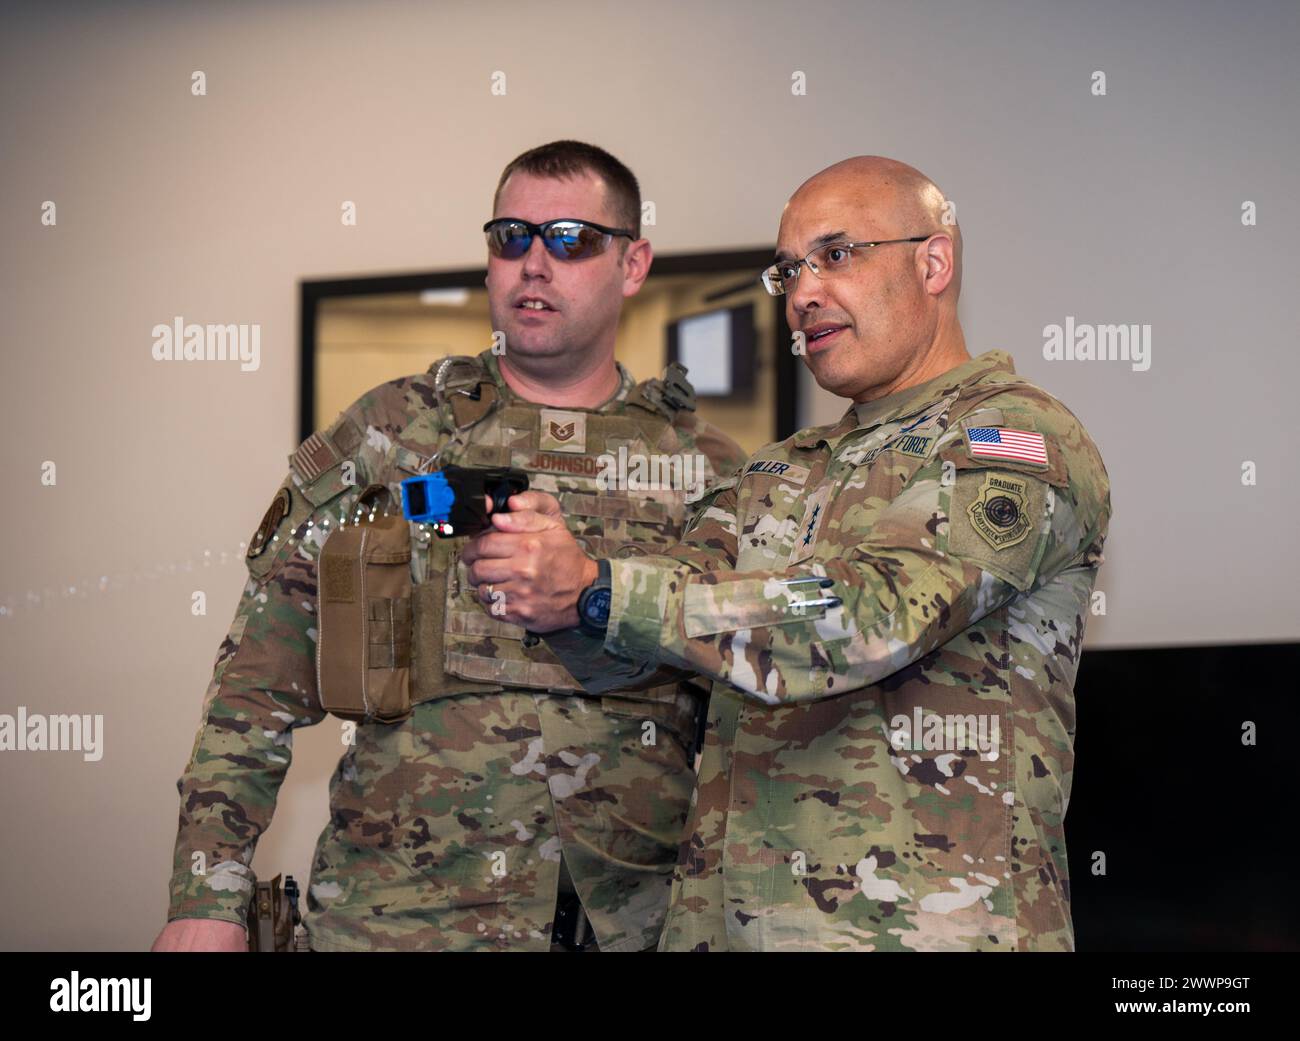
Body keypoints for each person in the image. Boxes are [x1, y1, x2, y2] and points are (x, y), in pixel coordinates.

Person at [462, 155, 1112, 951]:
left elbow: (872, 613)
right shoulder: (779, 468)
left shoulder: (1012, 438)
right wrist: (552, 592)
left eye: (836, 255)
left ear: (933, 261)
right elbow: (649, 646)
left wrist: (598, 589)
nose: (803, 293)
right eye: (787, 271)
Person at [152, 140, 747, 952]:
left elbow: (756, 718)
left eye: (570, 238)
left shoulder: (704, 472)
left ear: (632, 262)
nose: (534, 263)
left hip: (634, 926)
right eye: (512, 237)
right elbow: (257, 684)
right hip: (399, 920)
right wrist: (206, 896)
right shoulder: (394, 435)